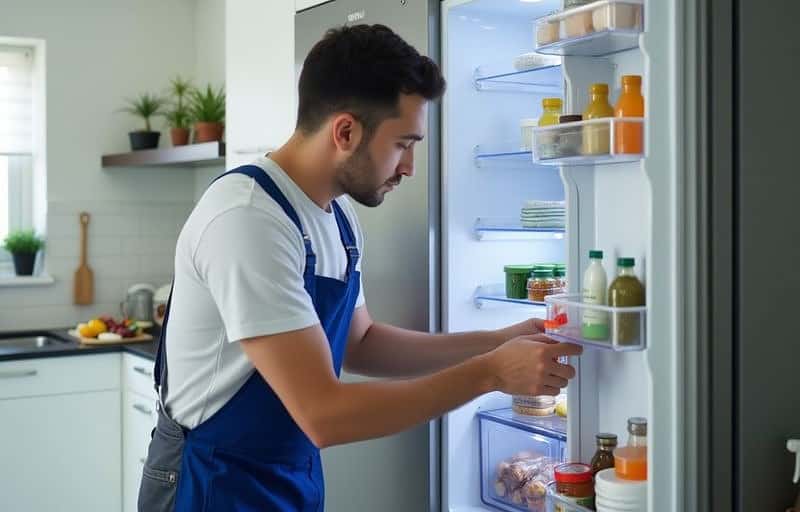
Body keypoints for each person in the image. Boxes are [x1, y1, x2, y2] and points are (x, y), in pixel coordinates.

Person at [138, 24, 582, 512]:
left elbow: (362, 343)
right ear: (345, 131)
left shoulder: (338, 216)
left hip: (286, 475)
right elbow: (324, 414)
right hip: (212, 482)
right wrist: (489, 373)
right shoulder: (248, 218)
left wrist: (497, 340)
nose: (410, 166)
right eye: (403, 144)